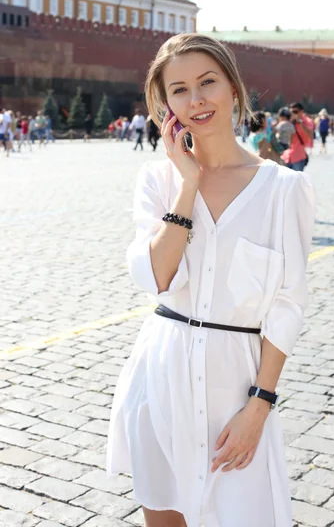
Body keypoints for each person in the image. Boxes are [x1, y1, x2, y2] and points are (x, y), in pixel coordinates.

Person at [107, 33, 316, 527]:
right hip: (162, 378)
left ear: (234, 88)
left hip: (236, 390)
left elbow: (287, 305)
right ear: (164, 105)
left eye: (207, 82)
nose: (196, 99)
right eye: (179, 90)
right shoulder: (158, 180)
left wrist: (259, 407)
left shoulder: (285, 189)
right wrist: (188, 183)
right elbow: (158, 276)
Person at [281, 102, 314, 171]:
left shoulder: (307, 121)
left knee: (297, 180)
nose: (293, 114)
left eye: (295, 111)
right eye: (291, 112)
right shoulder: (289, 121)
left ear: (302, 111)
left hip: (298, 156)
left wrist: (299, 122)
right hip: (287, 156)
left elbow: (310, 135)